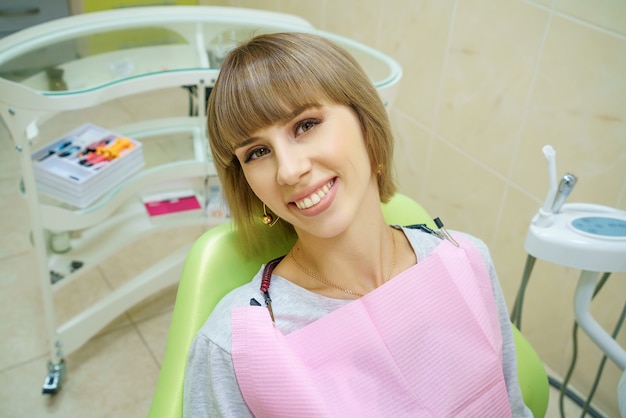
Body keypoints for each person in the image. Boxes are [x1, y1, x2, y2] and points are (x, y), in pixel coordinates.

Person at [183, 32, 532, 417]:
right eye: (258, 152)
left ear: (366, 123)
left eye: (305, 125)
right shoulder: (237, 347)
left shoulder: (465, 262)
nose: (289, 170)